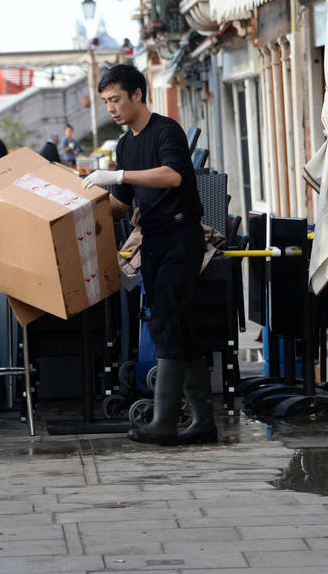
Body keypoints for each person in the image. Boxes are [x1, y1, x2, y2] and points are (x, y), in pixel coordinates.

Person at [82, 64, 212, 446]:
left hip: (181, 237)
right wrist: (81, 205)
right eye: (106, 102)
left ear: (138, 94)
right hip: (152, 240)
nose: (112, 109)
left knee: (166, 325)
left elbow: (172, 176)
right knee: (179, 329)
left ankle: (164, 422)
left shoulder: (165, 130)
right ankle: (203, 422)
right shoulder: (125, 144)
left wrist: (119, 176)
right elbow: (122, 204)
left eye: (116, 99)